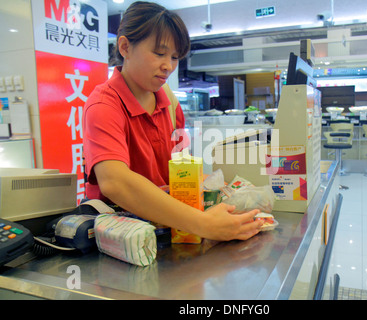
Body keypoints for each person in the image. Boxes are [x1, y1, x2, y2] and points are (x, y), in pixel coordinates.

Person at [82, 2, 263, 241]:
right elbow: (115, 183)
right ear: (125, 47)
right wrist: (204, 224)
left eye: (175, 57)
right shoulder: (104, 106)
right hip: (121, 239)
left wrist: (219, 190)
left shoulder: (168, 101)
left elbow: (181, 169)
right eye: (159, 53)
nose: (168, 66)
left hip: (168, 229)